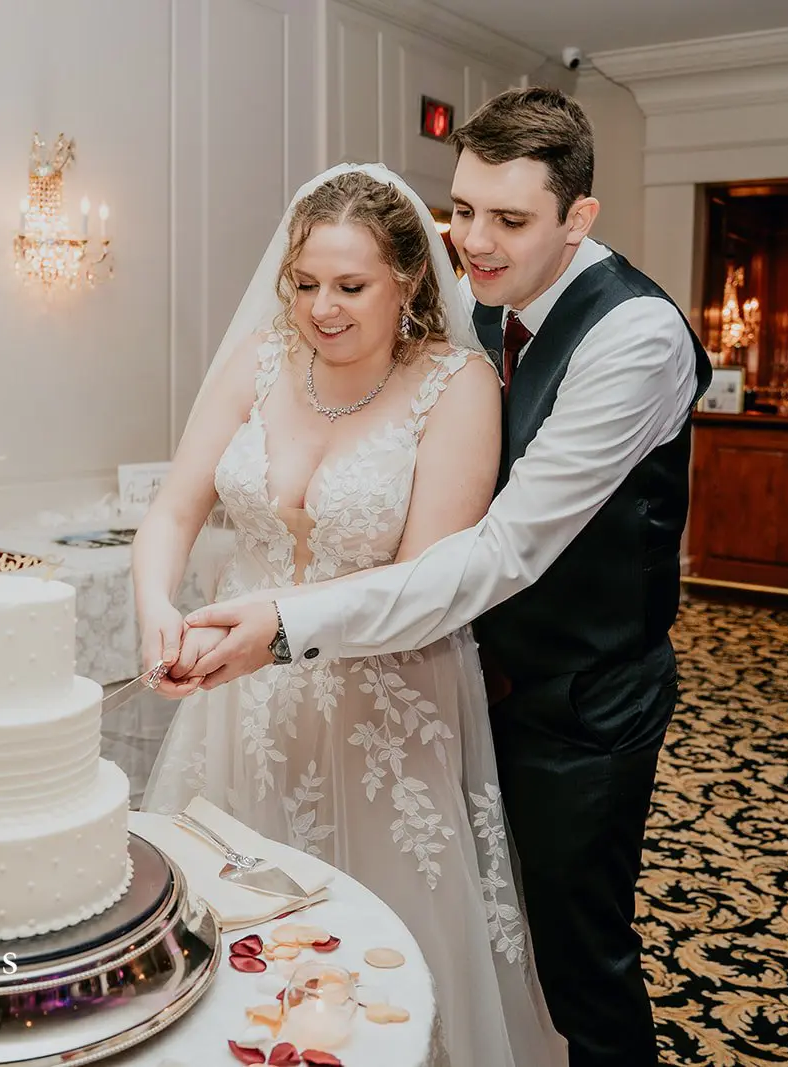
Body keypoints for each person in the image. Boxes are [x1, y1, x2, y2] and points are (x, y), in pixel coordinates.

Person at [179, 87, 713, 1067]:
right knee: (447, 914)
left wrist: (286, 622)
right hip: (456, 679)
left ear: (577, 217)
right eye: (460, 209)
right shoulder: (473, 287)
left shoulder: (634, 339)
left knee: (574, 954)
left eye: (509, 219)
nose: (473, 241)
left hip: (577, 698)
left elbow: (500, 550)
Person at [132, 163, 566, 1067]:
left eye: (350, 286)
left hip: (383, 712)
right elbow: (174, 511)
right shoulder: (258, 363)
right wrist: (157, 612)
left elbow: (420, 584)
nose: (321, 308)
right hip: (237, 710)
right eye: (305, 284)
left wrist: (273, 632)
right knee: (228, 961)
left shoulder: (457, 386)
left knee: (376, 972)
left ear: (408, 279)